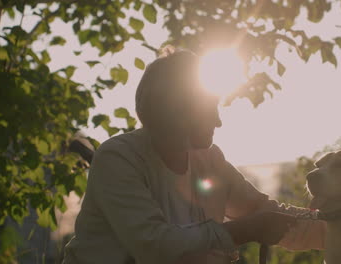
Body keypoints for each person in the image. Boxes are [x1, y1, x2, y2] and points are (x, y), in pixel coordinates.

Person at [63, 48, 326, 264]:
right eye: (210, 109)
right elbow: (155, 246)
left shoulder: (210, 160)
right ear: (178, 112)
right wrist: (246, 230)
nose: (219, 121)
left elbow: (264, 212)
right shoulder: (118, 158)